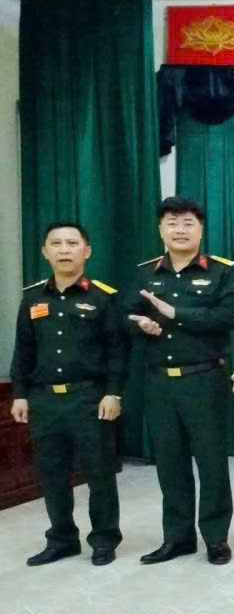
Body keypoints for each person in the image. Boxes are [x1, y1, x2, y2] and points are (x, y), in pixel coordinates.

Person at [126, 197, 234, 566]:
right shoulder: (145, 274)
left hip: (204, 378)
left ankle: (216, 538)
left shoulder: (221, 272)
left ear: (201, 229)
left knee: (211, 463)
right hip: (159, 383)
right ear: (160, 229)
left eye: (188, 223)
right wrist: (140, 323)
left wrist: (176, 313)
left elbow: (228, 315)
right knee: (169, 463)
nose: (180, 230)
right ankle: (177, 538)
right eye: (172, 223)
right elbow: (125, 315)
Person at [9, 222, 125, 566]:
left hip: (89, 398)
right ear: (45, 252)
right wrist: (20, 394)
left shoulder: (102, 297)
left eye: (72, 243)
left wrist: (114, 393)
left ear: (86, 251)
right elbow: (24, 349)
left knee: (99, 473)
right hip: (44, 399)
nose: (64, 250)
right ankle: (62, 539)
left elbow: (117, 351)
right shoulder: (33, 298)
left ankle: (104, 539)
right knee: (52, 473)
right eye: (56, 244)